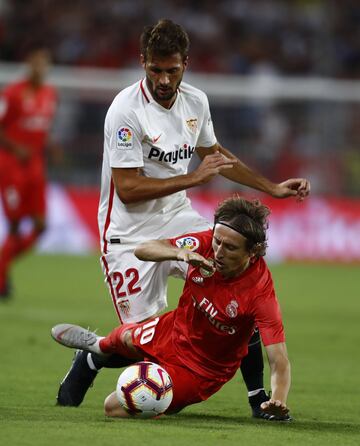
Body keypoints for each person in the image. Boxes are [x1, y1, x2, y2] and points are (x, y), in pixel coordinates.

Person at [56, 19, 309, 416]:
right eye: (155, 69)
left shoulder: (196, 102)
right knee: (144, 344)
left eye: (171, 70)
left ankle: (260, 398)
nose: (163, 79)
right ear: (143, 62)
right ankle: (90, 359)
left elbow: (215, 156)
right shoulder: (125, 111)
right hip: (127, 234)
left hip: (178, 220)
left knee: (240, 282)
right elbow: (128, 189)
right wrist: (192, 177)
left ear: (185, 65)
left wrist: (272, 187)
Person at [52, 196, 291, 420]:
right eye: (217, 241)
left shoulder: (259, 293)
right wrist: (180, 254)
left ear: (253, 252)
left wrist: (278, 400)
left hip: (200, 370)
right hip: (172, 331)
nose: (218, 251)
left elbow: (278, 359)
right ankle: (96, 349)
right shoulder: (204, 243)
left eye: (230, 248)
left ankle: (117, 361)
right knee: (124, 337)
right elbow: (143, 249)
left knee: (113, 407)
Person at [0, 48, 58, 298]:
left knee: (41, 225)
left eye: (43, 64)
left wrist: (51, 147)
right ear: (28, 64)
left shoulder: (50, 94)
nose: (39, 69)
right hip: (11, 164)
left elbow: (41, 130)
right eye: (35, 64)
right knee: (14, 224)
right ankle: (2, 277)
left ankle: (2, 265)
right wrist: (15, 147)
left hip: (35, 164)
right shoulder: (12, 93)